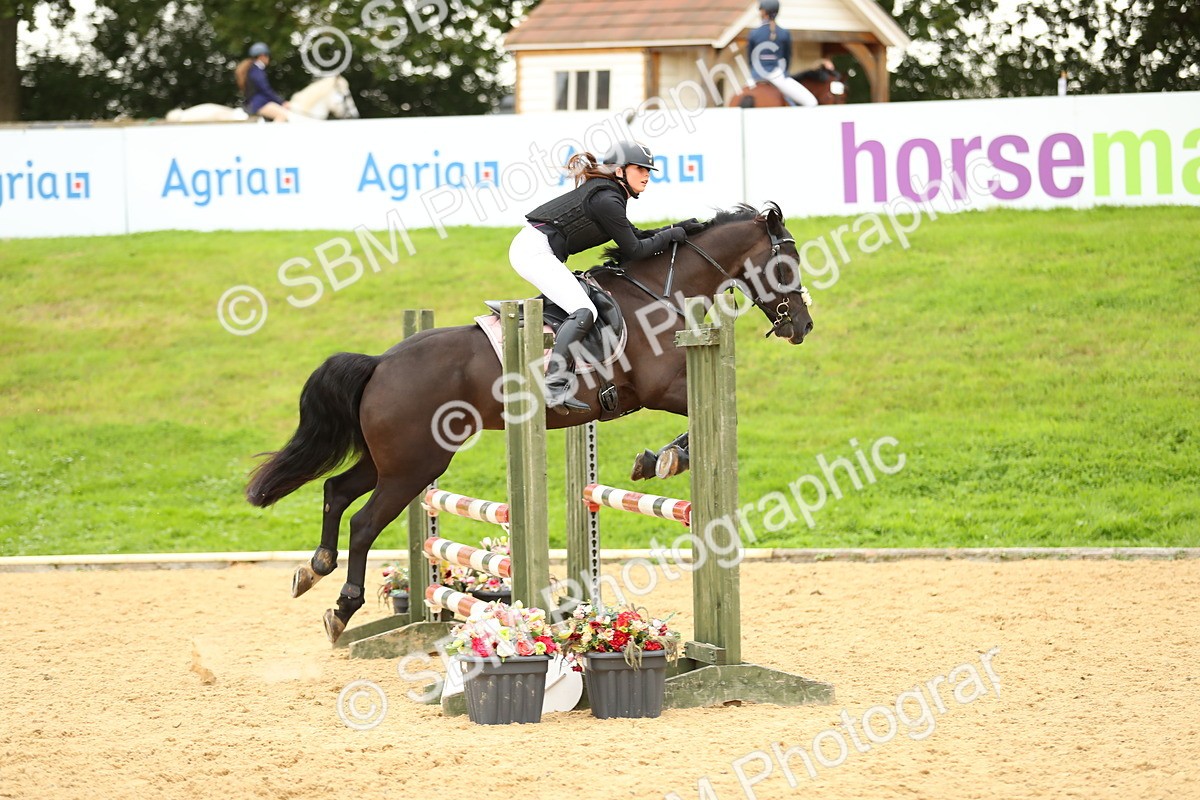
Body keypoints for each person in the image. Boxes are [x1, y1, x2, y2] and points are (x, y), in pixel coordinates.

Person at [513, 141, 692, 413]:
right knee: (584, 309)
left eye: (649, 170)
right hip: (534, 252)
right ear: (620, 171)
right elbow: (634, 249)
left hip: (536, 249)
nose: (646, 175)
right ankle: (554, 385)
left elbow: (635, 235)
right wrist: (671, 235)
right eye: (640, 168)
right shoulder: (607, 200)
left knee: (581, 305)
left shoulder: (610, 196)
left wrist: (676, 229)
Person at [746, 0, 818, 108]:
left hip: (755, 76)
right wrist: (785, 72)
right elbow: (787, 57)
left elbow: (750, 58)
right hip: (777, 75)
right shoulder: (783, 33)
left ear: (764, 12)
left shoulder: (754, 33)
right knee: (811, 102)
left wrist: (754, 71)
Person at [235, 42, 291, 121]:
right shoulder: (256, 70)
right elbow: (265, 89)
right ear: (262, 56)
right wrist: (282, 102)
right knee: (283, 115)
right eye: (267, 55)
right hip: (260, 103)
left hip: (261, 102)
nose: (268, 58)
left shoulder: (254, 69)